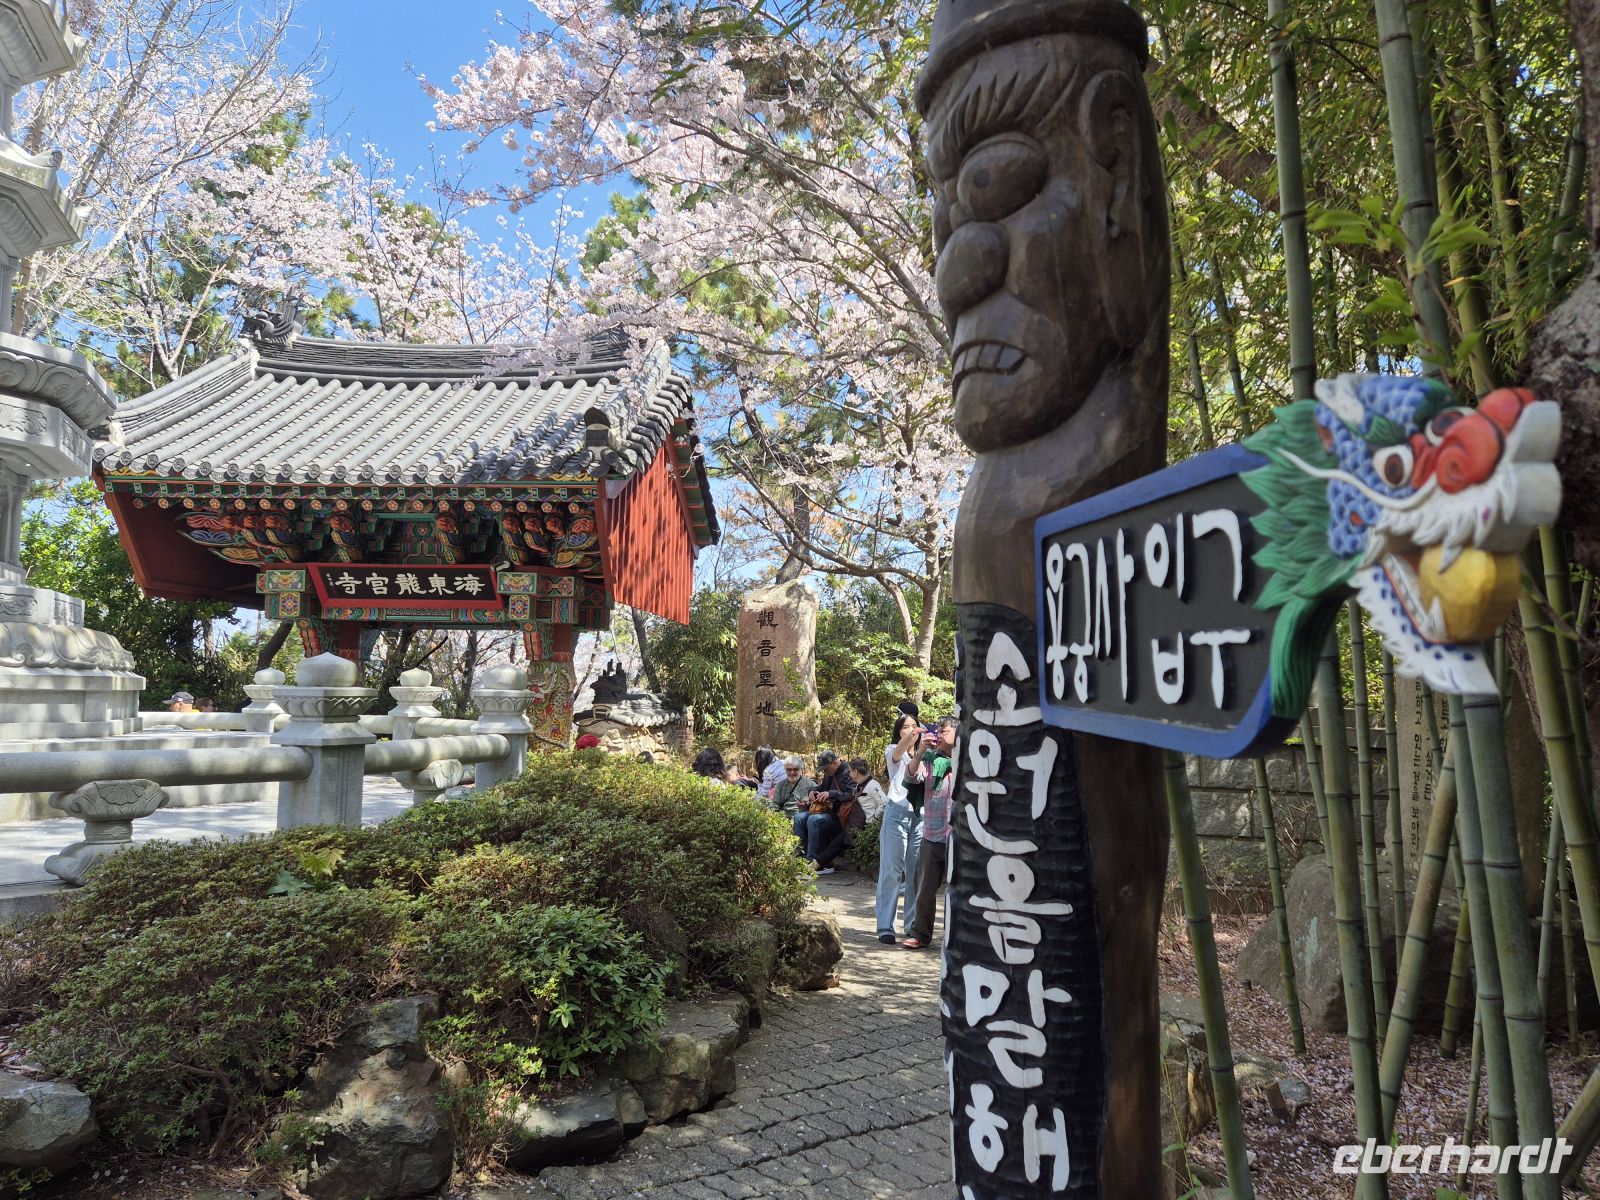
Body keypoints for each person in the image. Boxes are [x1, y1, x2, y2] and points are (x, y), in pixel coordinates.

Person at [904, 716, 958, 949]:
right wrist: (919, 751)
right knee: (924, 888)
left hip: (960, 838)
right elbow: (911, 777)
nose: (939, 734)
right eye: (938, 731)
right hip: (933, 834)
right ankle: (920, 934)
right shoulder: (929, 760)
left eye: (944, 731)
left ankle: (956, 937)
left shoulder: (970, 761)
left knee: (960, 890)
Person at [875, 711, 925, 943]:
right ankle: (886, 926)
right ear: (899, 731)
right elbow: (899, 752)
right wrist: (913, 735)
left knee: (915, 874)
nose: (911, 730)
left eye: (914, 726)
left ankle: (912, 926)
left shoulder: (926, 754)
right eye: (906, 727)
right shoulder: (892, 750)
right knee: (891, 872)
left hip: (920, 816)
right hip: (896, 813)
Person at [811, 757, 881, 874]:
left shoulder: (872, 785)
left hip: (863, 825)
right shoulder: (860, 785)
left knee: (838, 842)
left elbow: (883, 803)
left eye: (850, 771)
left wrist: (873, 820)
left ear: (856, 772)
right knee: (825, 829)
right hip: (853, 820)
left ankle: (814, 866)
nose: (848, 774)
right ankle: (822, 864)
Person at [793, 749, 856, 862]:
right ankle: (798, 857)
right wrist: (812, 791)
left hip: (839, 815)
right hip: (825, 811)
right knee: (798, 818)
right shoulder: (829, 774)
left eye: (826, 769)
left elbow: (851, 793)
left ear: (835, 763)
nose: (824, 772)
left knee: (813, 820)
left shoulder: (848, 772)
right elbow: (820, 788)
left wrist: (830, 793)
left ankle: (813, 860)